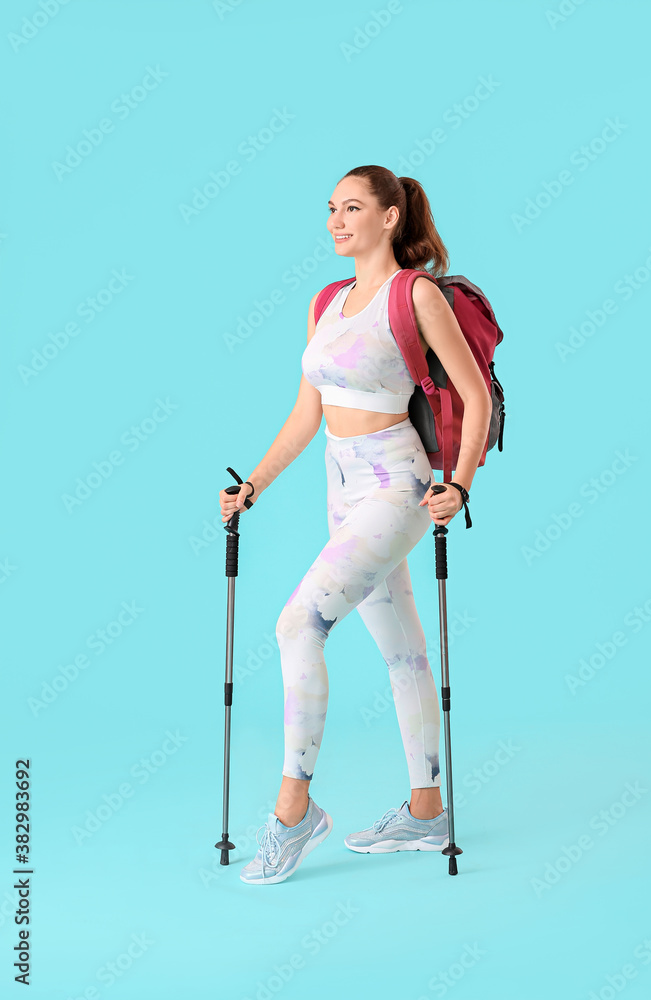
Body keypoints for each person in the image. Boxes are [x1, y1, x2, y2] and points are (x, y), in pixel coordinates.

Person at [220, 165, 492, 885]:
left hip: (395, 484)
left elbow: (473, 395)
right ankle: (426, 812)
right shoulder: (327, 301)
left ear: (389, 217)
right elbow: (307, 412)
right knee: (402, 653)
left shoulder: (416, 294)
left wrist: (457, 484)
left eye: (351, 208)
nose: (336, 220)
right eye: (330, 209)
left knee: (296, 625)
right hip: (337, 484)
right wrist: (253, 484)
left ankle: (292, 813)